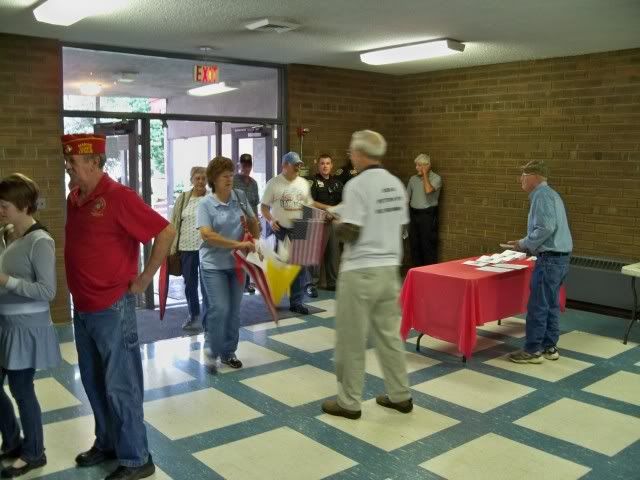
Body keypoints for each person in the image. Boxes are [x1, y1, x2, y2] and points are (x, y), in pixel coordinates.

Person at [63, 133, 175, 480]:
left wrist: (143, 279)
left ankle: (136, 458)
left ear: (95, 163)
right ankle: (108, 442)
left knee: (121, 384)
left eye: (73, 164)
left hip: (112, 307)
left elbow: (166, 232)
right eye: (67, 162)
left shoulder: (119, 197)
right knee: (95, 383)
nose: (69, 169)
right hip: (82, 308)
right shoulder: (75, 198)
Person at [321, 130, 412, 420]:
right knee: (389, 335)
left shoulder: (357, 185)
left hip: (360, 271)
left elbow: (352, 231)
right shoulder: (396, 184)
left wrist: (336, 221)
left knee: (351, 338)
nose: (350, 157)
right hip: (390, 270)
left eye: (351, 153)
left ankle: (349, 402)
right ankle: (400, 395)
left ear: (360, 154)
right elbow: (400, 228)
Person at [0, 174, 61, 478]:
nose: (1, 210)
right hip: (6, 324)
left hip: (25, 328)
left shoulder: (40, 241)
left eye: (5, 206)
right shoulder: (12, 234)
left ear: (24, 206)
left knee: (22, 390)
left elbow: (48, 292)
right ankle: (12, 441)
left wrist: (6, 281)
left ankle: (34, 452)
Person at [507, 160, 573, 364]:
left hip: (550, 259)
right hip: (561, 258)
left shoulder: (541, 195)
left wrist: (523, 243)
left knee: (538, 306)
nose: (521, 180)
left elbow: (545, 228)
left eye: (524, 175)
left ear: (534, 177)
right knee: (551, 304)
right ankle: (549, 347)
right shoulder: (551, 194)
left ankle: (532, 350)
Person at [197, 156, 259, 374]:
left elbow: (253, 222)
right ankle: (211, 350)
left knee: (233, 311)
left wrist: (254, 237)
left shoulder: (240, 197)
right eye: (225, 176)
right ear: (213, 179)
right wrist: (237, 243)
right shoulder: (205, 204)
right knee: (219, 308)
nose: (230, 179)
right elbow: (208, 236)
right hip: (212, 265)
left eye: (231, 175)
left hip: (237, 265)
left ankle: (229, 352)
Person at [260, 152, 329, 315]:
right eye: (295, 164)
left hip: (299, 227)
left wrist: (324, 211)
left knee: (298, 266)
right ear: (285, 166)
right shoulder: (274, 183)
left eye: (299, 164)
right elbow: (263, 207)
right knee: (277, 266)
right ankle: (271, 298)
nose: (298, 167)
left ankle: (296, 302)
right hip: (279, 228)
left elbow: (309, 205)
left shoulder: (303, 183)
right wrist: (270, 220)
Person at [170, 166, 207, 331]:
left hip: (207, 249)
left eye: (203, 178)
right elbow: (174, 222)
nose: (200, 181)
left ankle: (208, 318)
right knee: (190, 284)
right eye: (197, 178)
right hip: (186, 247)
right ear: (191, 180)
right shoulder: (183, 198)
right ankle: (193, 315)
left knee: (208, 284)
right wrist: (171, 246)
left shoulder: (211, 198)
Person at [308, 154, 343, 295]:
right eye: (322, 163)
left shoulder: (337, 183)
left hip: (333, 221)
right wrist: (328, 209)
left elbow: (344, 201)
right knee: (315, 254)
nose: (325, 166)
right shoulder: (312, 181)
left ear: (331, 165)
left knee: (334, 253)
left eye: (328, 163)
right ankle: (312, 284)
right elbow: (310, 201)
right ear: (319, 165)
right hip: (318, 221)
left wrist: (334, 212)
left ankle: (332, 282)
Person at [406, 153, 442, 266]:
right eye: (416, 165)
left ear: (427, 166)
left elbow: (428, 190)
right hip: (414, 214)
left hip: (428, 215)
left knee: (427, 246)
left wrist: (425, 174)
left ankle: (429, 274)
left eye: (419, 165)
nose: (416, 168)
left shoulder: (436, 178)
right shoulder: (413, 179)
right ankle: (416, 273)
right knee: (415, 245)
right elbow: (406, 198)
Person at [233, 153, 260, 294]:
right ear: (239, 165)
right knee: (238, 252)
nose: (246, 168)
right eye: (243, 165)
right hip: (237, 222)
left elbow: (255, 205)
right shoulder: (233, 181)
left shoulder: (254, 183)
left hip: (250, 222)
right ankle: (238, 281)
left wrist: (257, 223)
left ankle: (247, 283)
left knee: (250, 252)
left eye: (248, 165)